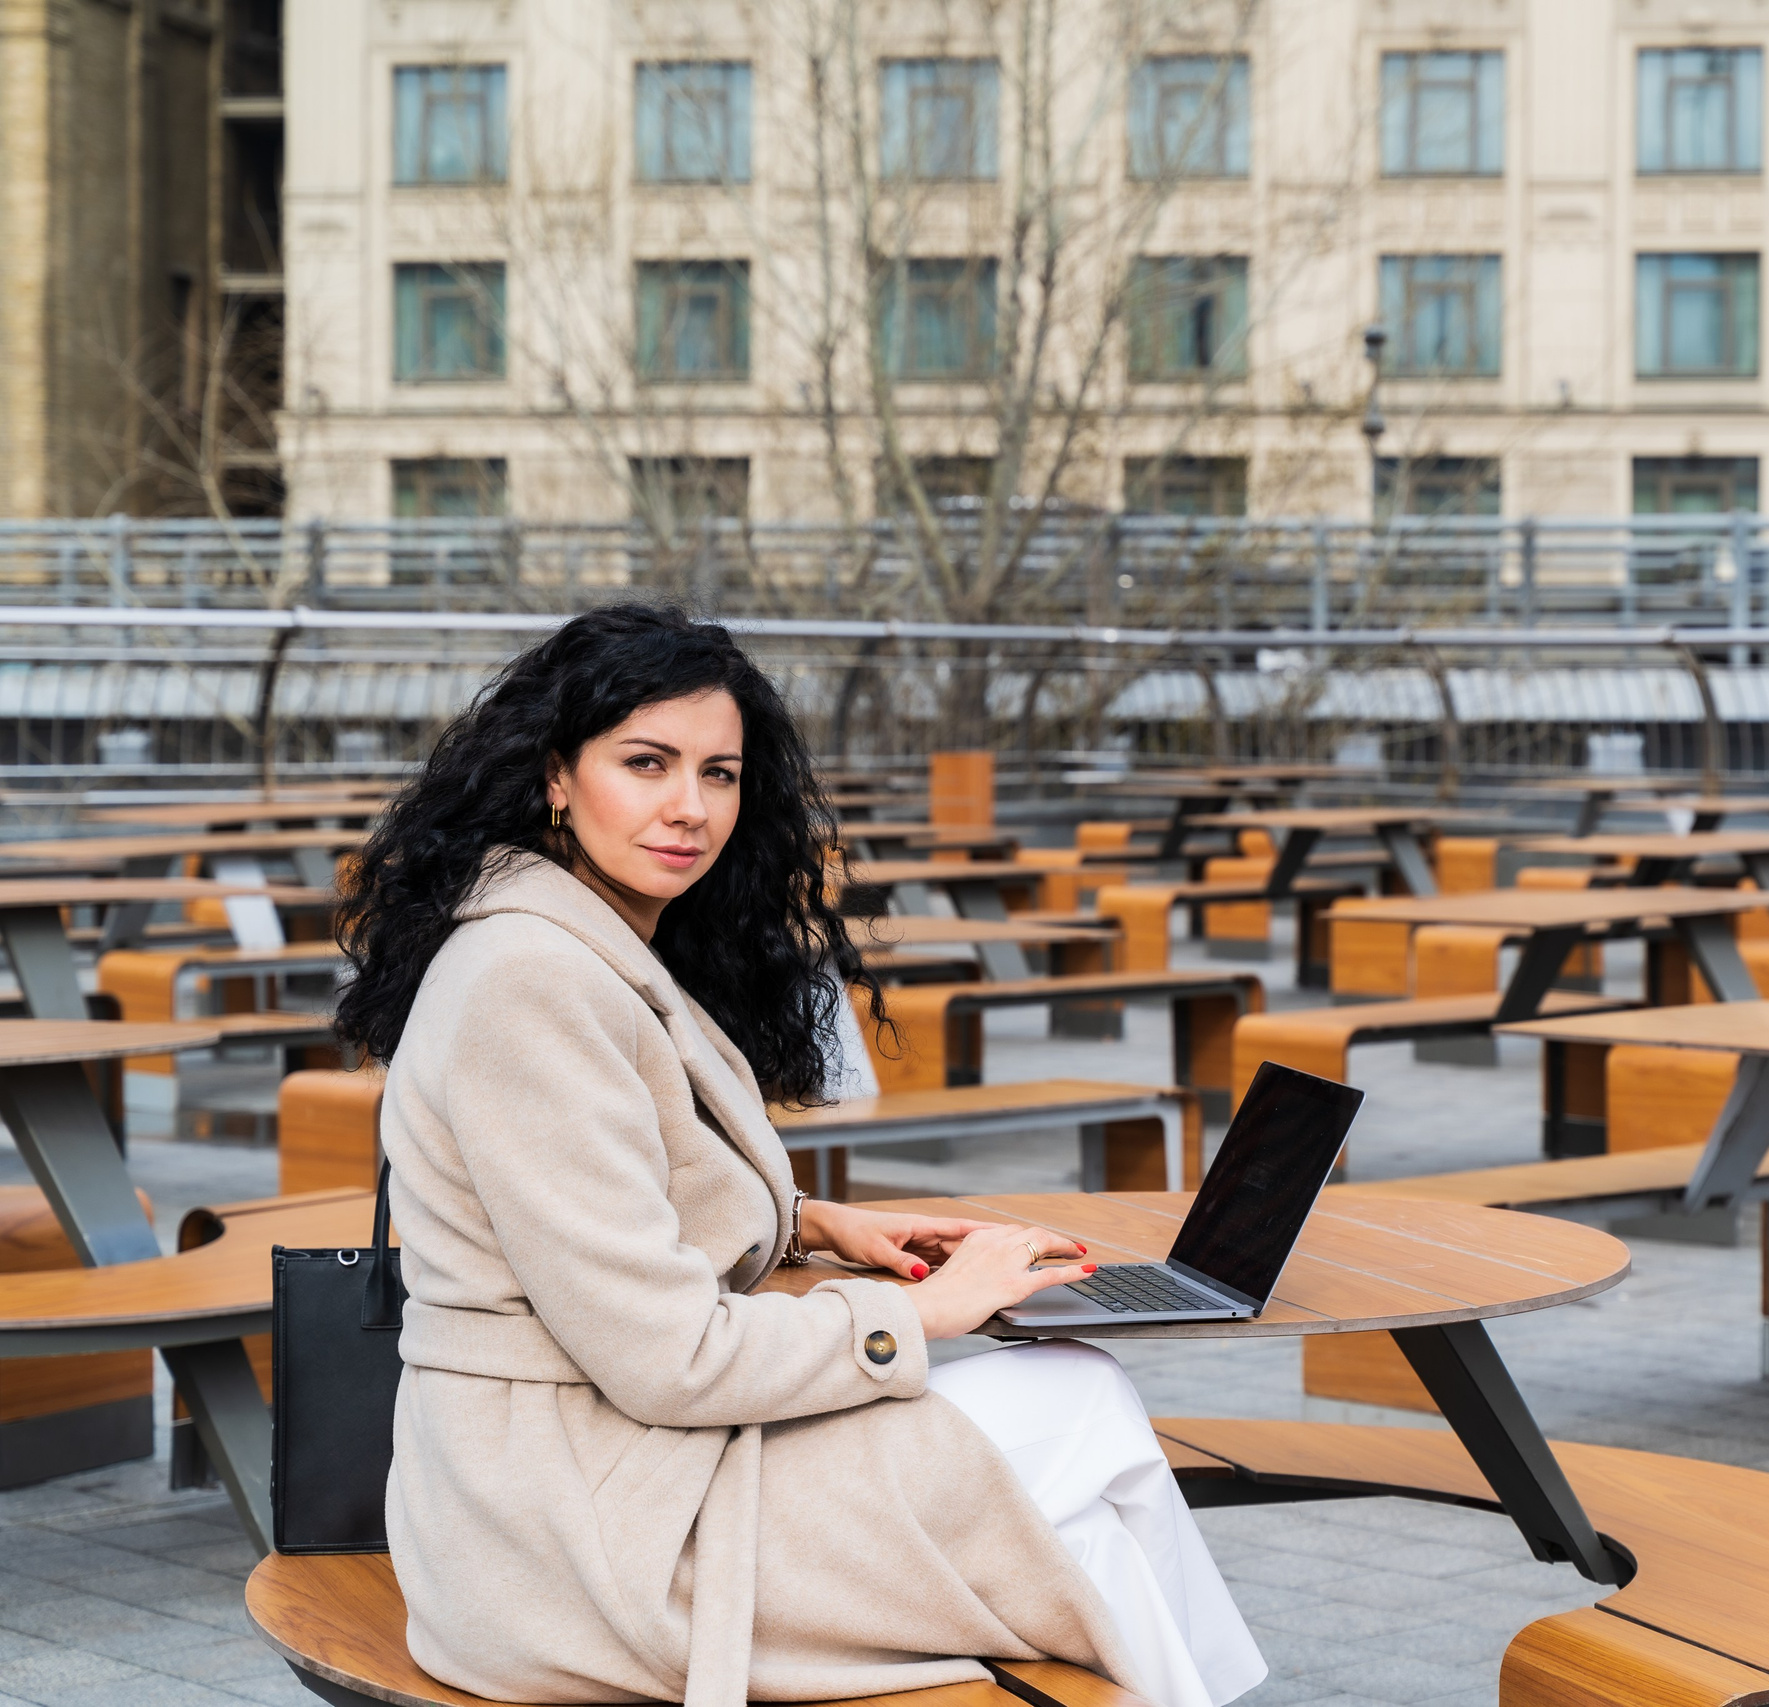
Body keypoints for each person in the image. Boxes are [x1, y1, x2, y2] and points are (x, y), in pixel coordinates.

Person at [335, 605, 1265, 1707]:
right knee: (1076, 1426)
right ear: (555, 777)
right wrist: (925, 1311)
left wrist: (819, 1226)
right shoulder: (528, 979)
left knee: (1077, 1439)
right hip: (567, 1521)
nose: (689, 808)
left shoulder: (586, 942)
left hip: (601, 1456)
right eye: (646, 764)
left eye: (718, 774)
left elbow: (608, 1211)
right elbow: (667, 1355)